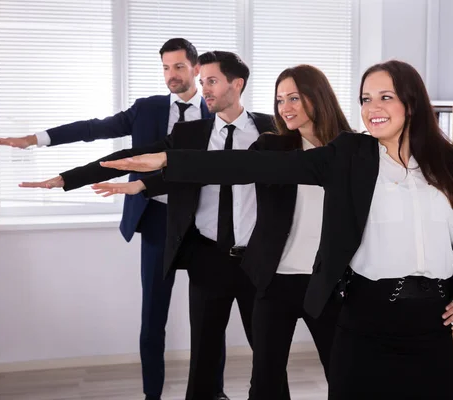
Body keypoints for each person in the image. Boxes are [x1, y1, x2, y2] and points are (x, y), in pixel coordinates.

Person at [99, 60, 453, 400]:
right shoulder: (351, 156)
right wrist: (171, 161)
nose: (372, 108)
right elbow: (253, 166)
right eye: (365, 99)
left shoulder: (449, 163)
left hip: (431, 321)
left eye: (385, 97)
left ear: (412, 102)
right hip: (364, 316)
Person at [18, 51, 291, 400]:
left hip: (261, 261)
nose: (202, 88)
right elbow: (132, 157)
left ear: (236, 84)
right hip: (209, 258)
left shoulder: (274, 129)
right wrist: (68, 178)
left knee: (269, 358)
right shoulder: (190, 134)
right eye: (202, 79)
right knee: (204, 360)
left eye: (211, 80)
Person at [0, 38, 229, 400]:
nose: (171, 75)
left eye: (179, 67)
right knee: (153, 318)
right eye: (165, 67)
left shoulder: (217, 110)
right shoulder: (147, 109)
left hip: (203, 223)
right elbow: (93, 128)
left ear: (196, 68)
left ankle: (213, 392)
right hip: (157, 220)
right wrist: (35, 139)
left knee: (210, 319)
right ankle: (152, 396)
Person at [93, 64, 351, 398]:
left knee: (345, 377)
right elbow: (226, 164)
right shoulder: (274, 148)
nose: (284, 107)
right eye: (280, 100)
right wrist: (163, 165)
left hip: (327, 284)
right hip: (274, 282)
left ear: (318, 98)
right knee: (266, 384)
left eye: (294, 98)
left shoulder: (352, 151)